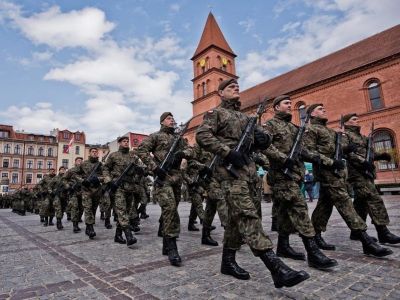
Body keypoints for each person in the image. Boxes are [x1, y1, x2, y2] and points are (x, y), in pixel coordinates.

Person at [196, 78, 309, 288]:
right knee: (248, 216)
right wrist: (228, 152)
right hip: (229, 174)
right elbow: (202, 136)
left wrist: (261, 137)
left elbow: (260, 144)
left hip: (249, 174)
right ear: (220, 93)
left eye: (237, 87)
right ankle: (277, 268)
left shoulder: (246, 117)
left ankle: (227, 262)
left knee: (236, 220)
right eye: (230, 87)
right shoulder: (216, 114)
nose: (235, 88)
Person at [303, 104, 392, 257]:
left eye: (324, 108)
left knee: (324, 205)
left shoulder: (330, 131)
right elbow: (307, 152)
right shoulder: (311, 130)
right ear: (311, 114)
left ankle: (316, 235)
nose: (324, 110)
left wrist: (346, 143)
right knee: (345, 202)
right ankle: (366, 241)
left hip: (337, 173)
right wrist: (330, 162)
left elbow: (342, 149)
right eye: (319, 109)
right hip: (326, 173)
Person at [263, 95, 337, 270]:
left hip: (294, 175)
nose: (290, 106)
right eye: (286, 103)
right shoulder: (270, 126)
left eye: (290, 103)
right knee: (300, 209)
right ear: (276, 107)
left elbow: (303, 151)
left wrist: (325, 160)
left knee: (284, 213)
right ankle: (313, 253)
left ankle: (283, 246)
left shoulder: (294, 127)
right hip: (281, 175)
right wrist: (283, 159)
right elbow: (265, 146)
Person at [137, 112, 193, 266]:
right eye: (169, 118)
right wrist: (154, 168)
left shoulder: (178, 138)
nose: (172, 120)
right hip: (163, 178)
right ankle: (172, 246)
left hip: (176, 178)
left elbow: (191, 150)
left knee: (172, 209)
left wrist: (183, 153)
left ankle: (166, 245)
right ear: (162, 122)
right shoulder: (155, 136)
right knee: (169, 209)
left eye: (173, 118)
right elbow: (141, 150)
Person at [343, 113, 400, 244]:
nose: (357, 121)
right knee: (374, 199)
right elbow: (347, 153)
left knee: (361, 203)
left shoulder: (362, 136)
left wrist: (381, 156)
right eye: (354, 119)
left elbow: (370, 154)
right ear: (347, 123)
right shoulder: (346, 136)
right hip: (357, 174)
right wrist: (363, 162)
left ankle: (356, 232)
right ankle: (383, 232)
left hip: (367, 173)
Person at [103, 136, 146, 248]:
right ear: (119, 143)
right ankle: (129, 236)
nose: (126, 143)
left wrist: (140, 171)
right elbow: (105, 168)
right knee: (121, 211)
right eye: (124, 141)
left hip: (130, 187)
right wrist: (109, 180)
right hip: (118, 187)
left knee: (125, 212)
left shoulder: (133, 156)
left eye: (127, 141)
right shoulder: (113, 155)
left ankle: (117, 235)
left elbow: (141, 169)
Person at [77, 147, 104, 239]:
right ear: (89, 153)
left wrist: (98, 179)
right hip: (86, 190)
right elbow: (76, 174)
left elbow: (105, 175)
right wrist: (82, 181)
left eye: (96, 152)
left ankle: (88, 227)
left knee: (93, 209)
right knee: (88, 208)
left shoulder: (100, 165)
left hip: (97, 190)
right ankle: (91, 228)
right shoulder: (83, 164)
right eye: (93, 151)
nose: (95, 153)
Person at [64, 157, 84, 233]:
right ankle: (75, 225)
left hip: (82, 192)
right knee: (74, 208)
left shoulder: (84, 171)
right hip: (74, 192)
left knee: (81, 208)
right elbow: (64, 179)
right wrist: (68, 186)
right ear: (75, 162)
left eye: (81, 161)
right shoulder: (71, 170)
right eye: (78, 161)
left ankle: (78, 220)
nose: (80, 162)